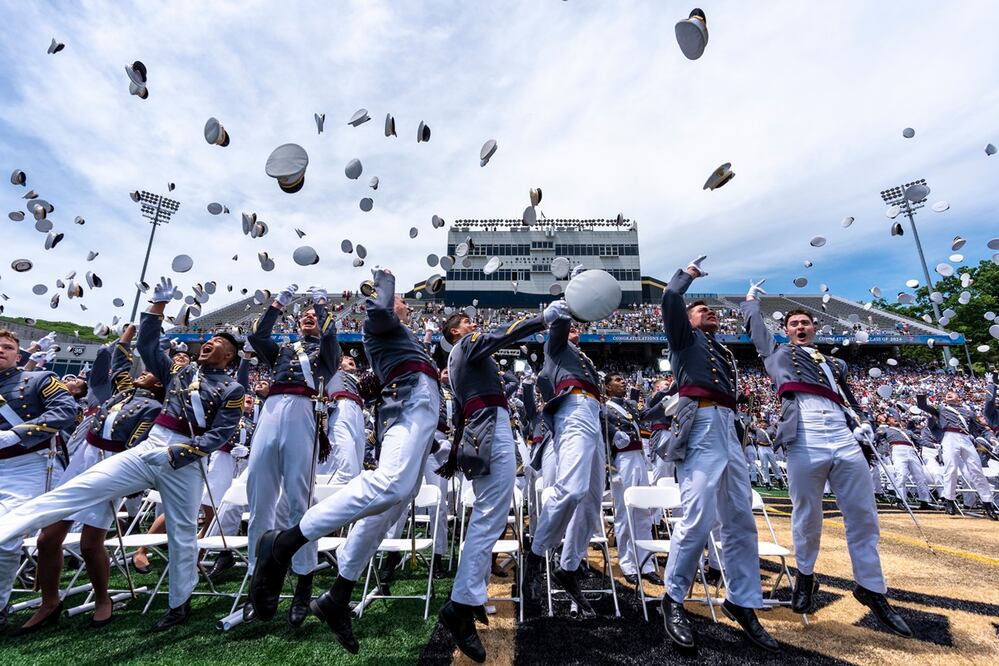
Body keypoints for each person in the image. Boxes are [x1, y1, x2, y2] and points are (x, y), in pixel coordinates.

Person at [0, 277, 245, 630]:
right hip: (151, 445)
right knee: (79, 488)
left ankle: (179, 604)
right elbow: (147, 343)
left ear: (230, 356)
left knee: (181, 533)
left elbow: (222, 433)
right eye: (209, 340)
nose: (209, 344)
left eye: (218, 343)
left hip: (185, 461)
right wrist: (156, 307)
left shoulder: (233, 388)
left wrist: (180, 453)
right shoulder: (180, 370)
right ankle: (7, 529)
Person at [248, 268, 439, 656]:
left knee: (390, 506)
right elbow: (379, 311)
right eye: (401, 301)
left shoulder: (390, 338)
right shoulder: (379, 325)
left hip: (402, 407)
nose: (404, 305)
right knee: (390, 485)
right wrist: (385, 284)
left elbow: (346, 346)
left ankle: (338, 594)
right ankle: (283, 544)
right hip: (399, 405)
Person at [742, 280, 913, 637]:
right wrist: (750, 301)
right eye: (794, 324)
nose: (801, 327)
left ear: (814, 328)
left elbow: (849, 397)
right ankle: (805, 575)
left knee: (863, 515)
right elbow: (756, 328)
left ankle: (871, 588)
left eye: (805, 323)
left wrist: (863, 422)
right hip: (804, 434)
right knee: (807, 511)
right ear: (786, 331)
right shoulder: (775, 353)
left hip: (843, 433)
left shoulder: (835, 364)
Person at [8, 324, 164, 634]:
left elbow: (135, 446)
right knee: (47, 538)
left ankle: (103, 599)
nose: (143, 373)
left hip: (111, 467)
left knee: (91, 544)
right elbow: (119, 364)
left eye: (152, 374)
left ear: (160, 385)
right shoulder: (123, 393)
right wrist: (125, 339)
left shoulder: (155, 407)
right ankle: (49, 602)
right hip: (81, 462)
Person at [657, 258, 777, 653]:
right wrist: (687, 275)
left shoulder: (722, 352)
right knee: (698, 516)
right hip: (703, 424)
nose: (708, 312)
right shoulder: (684, 340)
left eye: (710, 310)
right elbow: (671, 297)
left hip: (728, 427)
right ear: (688, 321)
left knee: (741, 520)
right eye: (701, 310)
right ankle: (673, 598)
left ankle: (742, 600)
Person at [434, 305, 557, 662]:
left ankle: (468, 597)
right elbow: (500, 334)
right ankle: (460, 605)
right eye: (467, 323)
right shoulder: (468, 344)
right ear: (455, 332)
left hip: (482, 426)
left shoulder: (461, 356)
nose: (474, 326)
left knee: (489, 515)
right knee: (490, 515)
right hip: (489, 425)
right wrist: (540, 319)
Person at [245, 284, 340, 626]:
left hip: (304, 409)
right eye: (306, 316)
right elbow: (257, 337)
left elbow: (330, 332)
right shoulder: (283, 349)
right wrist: (277, 305)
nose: (310, 318)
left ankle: (303, 585)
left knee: (300, 501)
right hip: (271, 409)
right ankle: (259, 585)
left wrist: (320, 303)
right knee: (259, 496)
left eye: (314, 316)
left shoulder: (328, 350)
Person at [523, 307, 605, 618]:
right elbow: (559, 324)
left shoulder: (584, 359)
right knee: (571, 489)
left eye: (576, 330)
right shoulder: (554, 348)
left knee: (591, 499)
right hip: (574, 405)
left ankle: (569, 566)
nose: (575, 332)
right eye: (571, 330)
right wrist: (577, 293)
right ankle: (535, 556)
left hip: (593, 411)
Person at [0, 329, 79, 633]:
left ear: (18, 355)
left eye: (8, 347)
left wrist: (16, 434)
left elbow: (66, 409)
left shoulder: (39, 379)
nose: (1, 350)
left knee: (5, 538)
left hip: (28, 465)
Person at [601, 373, 662, 587]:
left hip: (639, 458)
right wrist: (612, 468)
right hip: (622, 459)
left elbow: (647, 415)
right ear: (607, 387)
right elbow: (605, 436)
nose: (622, 382)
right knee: (625, 513)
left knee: (643, 511)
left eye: (622, 380)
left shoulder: (629, 406)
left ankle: (646, 563)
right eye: (617, 380)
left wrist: (663, 397)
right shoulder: (604, 409)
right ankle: (627, 563)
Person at [916, 388, 997, 519]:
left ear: (959, 398)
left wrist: (991, 438)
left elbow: (981, 429)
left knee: (976, 470)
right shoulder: (941, 409)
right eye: (946, 393)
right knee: (951, 468)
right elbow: (922, 406)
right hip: (949, 437)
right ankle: (949, 500)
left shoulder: (968, 412)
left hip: (966, 439)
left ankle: (988, 503)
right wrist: (921, 395)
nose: (948, 393)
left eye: (952, 393)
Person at [323, 355, 365, 484]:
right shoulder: (332, 373)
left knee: (357, 471)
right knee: (347, 470)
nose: (351, 359)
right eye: (346, 358)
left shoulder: (359, 380)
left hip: (358, 412)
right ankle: (324, 500)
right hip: (342, 406)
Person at [876, 411, 931, 510]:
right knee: (901, 475)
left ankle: (925, 501)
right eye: (892, 418)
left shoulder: (907, 432)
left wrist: (934, 446)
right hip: (897, 450)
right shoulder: (885, 429)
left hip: (911, 451)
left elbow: (920, 441)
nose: (895, 419)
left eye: (896, 417)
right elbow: (877, 437)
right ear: (888, 421)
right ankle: (900, 500)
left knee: (920, 476)